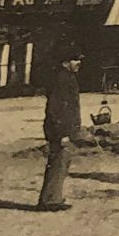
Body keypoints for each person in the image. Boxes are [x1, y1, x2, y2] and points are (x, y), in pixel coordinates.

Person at [37, 48, 83, 211]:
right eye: (75, 60)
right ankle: (50, 200)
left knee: (60, 163)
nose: (79, 63)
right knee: (58, 163)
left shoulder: (66, 77)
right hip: (59, 130)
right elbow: (56, 108)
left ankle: (52, 197)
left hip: (63, 129)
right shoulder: (62, 79)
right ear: (65, 62)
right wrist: (62, 133)